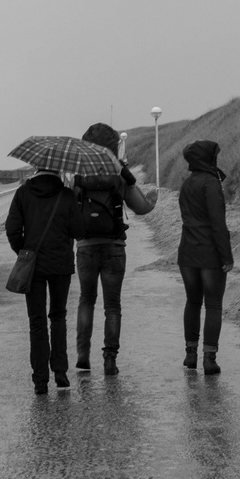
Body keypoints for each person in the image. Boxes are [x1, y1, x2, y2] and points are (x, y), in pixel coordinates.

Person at [73, 122, 158, 376]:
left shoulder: (78, 175)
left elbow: (68, 208)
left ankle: (82, 355)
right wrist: (151, 199)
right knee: (112, 305)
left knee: (86, 300)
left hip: (85, 246)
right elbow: (141, 207)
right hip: (114, 247)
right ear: (112, 146)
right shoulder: (119, 173)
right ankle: (110, 359)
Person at [5, 167, 81, 394]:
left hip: (34, 266)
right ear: (57, 169)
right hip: (60, 265)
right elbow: (79, 230)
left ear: (36, 168)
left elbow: (12, 229)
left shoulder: (23, 194)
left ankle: (40, 381)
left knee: (36, 321)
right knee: (58, 317)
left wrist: (24, 251)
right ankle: (60, 372)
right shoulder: (66, 195)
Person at [178, 140, 233, 374]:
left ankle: (191, 354)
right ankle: (209, 358)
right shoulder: (211, 184)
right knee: (213, 305)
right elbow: (218, 224)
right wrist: (227, 256)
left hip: (187, 252)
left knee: (192, 302)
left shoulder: (186, 184)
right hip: (209, 254)